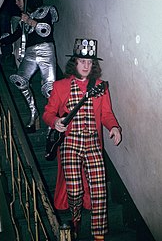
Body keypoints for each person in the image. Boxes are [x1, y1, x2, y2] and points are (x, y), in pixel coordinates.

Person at [42, 38, 122, 241]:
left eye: (90, 62)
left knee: (99, 190)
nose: (86, 65)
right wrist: (56, 121)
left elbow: (106, 114)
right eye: (82, 61)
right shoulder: (60, 86)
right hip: (70, 143)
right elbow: (48, 113)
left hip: (93, 143)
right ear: (74, 63)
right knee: (75, 190)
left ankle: (99, 236)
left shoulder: (100, 86)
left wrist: (114, 127)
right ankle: (76, 218)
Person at [0, 0, 59, 133]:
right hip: (30, 53)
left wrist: (29, 21)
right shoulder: (24, 18)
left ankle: (52, 123)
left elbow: (45, 30)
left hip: (46, 50)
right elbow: (15, 35)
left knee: (49, 89)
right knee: (20, 80)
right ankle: (33, 112)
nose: (17, 3)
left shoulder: (46, 10)